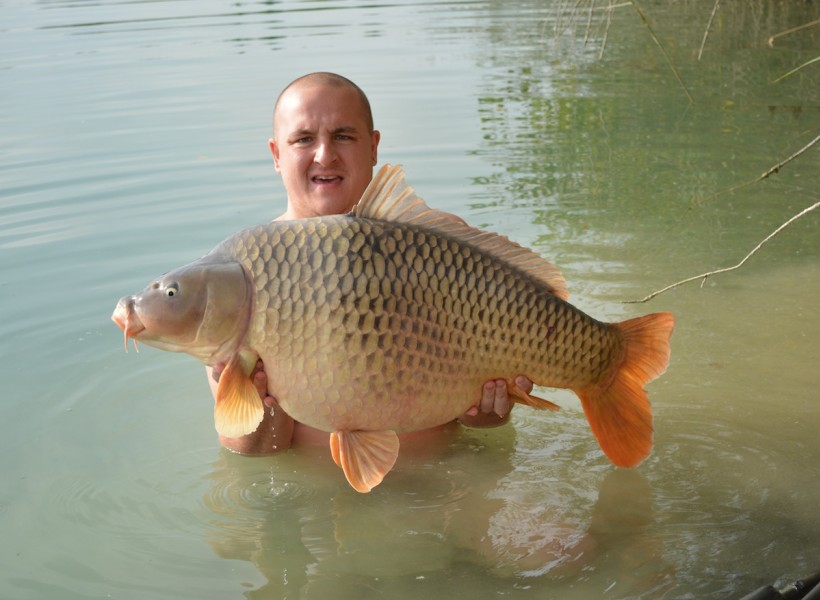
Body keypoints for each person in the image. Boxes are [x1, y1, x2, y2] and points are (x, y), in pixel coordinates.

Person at [207, 72, 534, 455]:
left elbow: (482, 422)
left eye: (343, 136)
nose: (325, 154)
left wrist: (488, 412)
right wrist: (258, 397)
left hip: (442, 489)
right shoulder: (246, 273)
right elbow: (255, 450)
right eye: (304, 139)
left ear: (374, 147)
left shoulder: (440, 249)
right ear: (277, 154)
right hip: (316, 500)